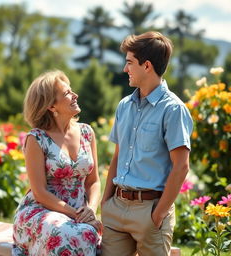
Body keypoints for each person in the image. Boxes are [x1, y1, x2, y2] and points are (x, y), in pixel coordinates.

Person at [101, 31, 193, 256]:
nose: (125, 69)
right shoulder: (124, 105)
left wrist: (158, 215)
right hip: (116, 208)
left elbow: (181, 166)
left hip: (151, 212)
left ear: (147, 66)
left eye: (130, 62)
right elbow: (117, 156)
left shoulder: (173, 109)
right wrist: (105, 202)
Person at [12, 70, 102, 256]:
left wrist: (90, 211)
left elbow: (93, 181)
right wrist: (76, 215)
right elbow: (40, 193)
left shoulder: (87, 132)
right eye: (67, 93)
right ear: (51, 107)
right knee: (65, 234)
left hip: (78, 213)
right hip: (41, 212)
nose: (75, 95)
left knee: (86, 232)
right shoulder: (36, 139)